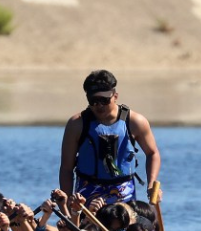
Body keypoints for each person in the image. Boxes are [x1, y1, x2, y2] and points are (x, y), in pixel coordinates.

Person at [59, 69, 161, 206]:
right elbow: (66, 168)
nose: (99, 105)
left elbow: (152, 153)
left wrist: (151, 184)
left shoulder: (135, 122)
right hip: (87, 192)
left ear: (115, 96)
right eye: (94, 101)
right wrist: (66, 204)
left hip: (124, 192)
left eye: (104, 100)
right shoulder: (76, 124)